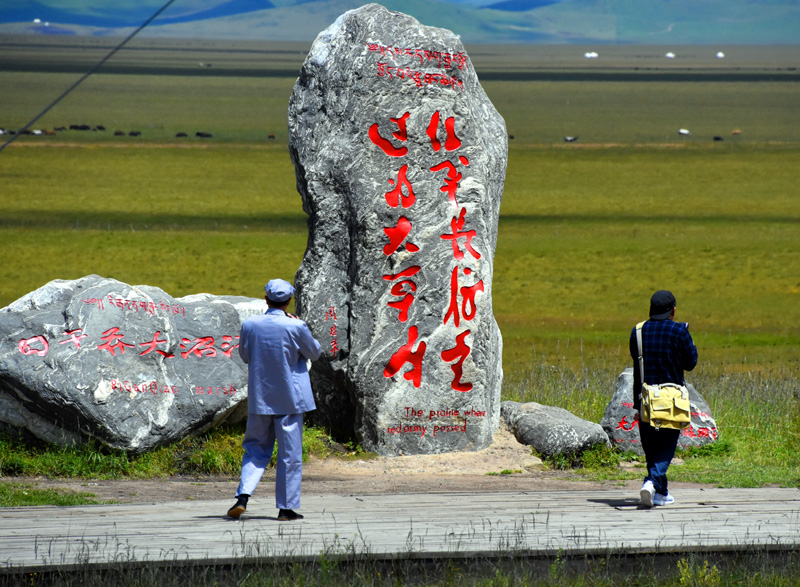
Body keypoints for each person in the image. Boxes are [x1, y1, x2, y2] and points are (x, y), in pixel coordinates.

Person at [227, 278, 322, 521]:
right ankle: (286, 508)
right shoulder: (296, 326)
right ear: (289, 300)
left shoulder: (250, 325)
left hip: (261, 397)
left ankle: (243, 496)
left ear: (266, 298)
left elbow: (245, 356)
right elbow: (315, 353)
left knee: (255, 449)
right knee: (289, 454)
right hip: (291, 399)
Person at [630, 290, 698, 508]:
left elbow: (637, 364)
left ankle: (661, 493)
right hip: (671, 400)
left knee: (651, 448)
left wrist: (636, 404)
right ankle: (650, 482)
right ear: (673, 310)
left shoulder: (637, 331)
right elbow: (691, 363)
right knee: (667, 446)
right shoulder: (679, 331)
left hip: (644, 399)